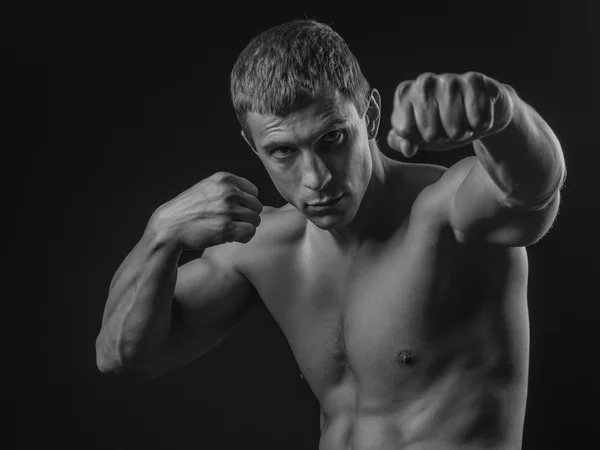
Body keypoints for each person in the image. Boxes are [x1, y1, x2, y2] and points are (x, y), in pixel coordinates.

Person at [96, 19, 566, 450]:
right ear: (252, 146)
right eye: (282, 151)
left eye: (333, 138)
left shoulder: (442, 214)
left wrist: (502, 115)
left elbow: (531, 195)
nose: (315, 177)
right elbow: (124, 356)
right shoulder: (266, 248)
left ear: (371, 116)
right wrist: (161, 234)